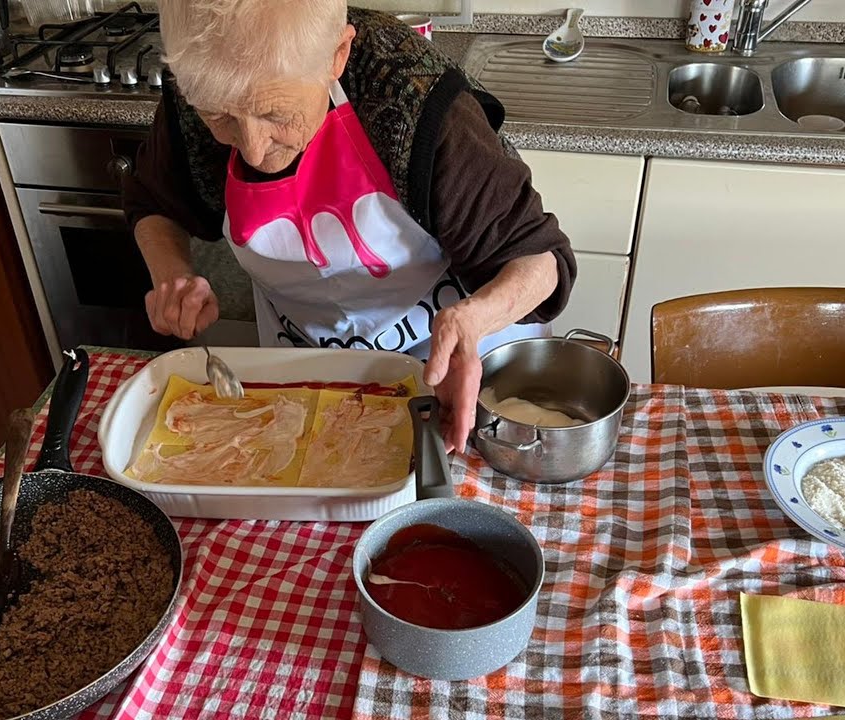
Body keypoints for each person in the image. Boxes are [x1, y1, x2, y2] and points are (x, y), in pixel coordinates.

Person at [122, 0, 575, 452]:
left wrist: (474, 318)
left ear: (337, 56)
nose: (253, 150)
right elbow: (154, 200)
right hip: (310, 370)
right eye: (220, 117)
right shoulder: (201, 84)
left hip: (461, 376)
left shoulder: (412, 97)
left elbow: (541, 262)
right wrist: (172, 273)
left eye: (275, 115)